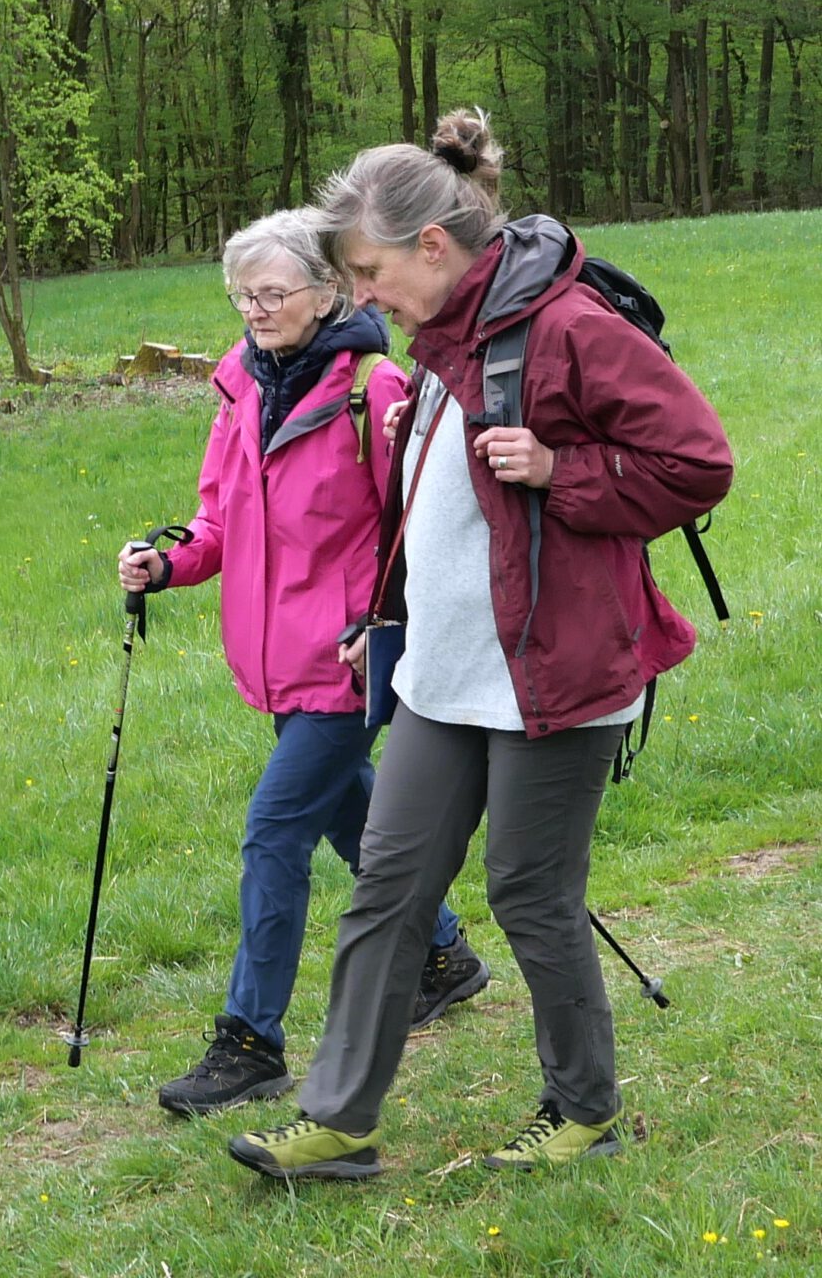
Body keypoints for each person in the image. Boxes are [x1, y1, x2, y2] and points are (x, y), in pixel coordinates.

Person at [228, 112, 733, 1178]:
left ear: (430, 247)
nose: (359, 296)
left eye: (367, 271)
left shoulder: (567, 326)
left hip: (560, 669)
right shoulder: (436, 341)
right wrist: (387, 618)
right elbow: (435, 504)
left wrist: (563, 472)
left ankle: (582, 1106)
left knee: (527, 891)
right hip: (441, 673)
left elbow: (696, 462)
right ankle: (338, 1120)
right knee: (386, 884)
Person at [117, 207, 489, 1117]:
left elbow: (416, 526)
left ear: (328, 292)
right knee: (345, 815)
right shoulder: (240, 385)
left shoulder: (373, 384)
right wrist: (167, 565)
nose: (255, 308)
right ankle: (443, 954)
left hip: (346, 662)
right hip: (276, 661)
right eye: (243, 294)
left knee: (274, 830)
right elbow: (220, 520)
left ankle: (250, 1042)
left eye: (274, 291)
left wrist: (384, 622)